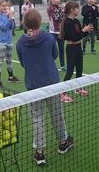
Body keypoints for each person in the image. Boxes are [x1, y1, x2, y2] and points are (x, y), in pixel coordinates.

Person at [16, 9, 74, 165]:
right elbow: (54, 54)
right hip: (51, 84)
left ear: (24, 23)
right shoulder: (49, 38)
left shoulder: (20, 42)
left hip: (33, 86)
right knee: (57, 114)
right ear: (40, 22)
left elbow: (23, 63)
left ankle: (39, 152)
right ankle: (63, 142)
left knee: (37, 118)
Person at [58, 1, 94, 101]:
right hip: (71, 49)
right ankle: (63, 93)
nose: (79, 9)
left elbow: (80, 36)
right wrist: (83, 31)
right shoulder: (67, 23)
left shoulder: (77, 22)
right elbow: (73, 37)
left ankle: (78, 88)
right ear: (72, 10)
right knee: (70, 71)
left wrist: (87, 31)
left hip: (78, 48)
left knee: (79, 69)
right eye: (77, 8)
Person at [0, 0, 21, 89]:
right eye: (3, 6)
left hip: (9, 41)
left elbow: (12, 26)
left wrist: (10, 18)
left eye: (6, 6)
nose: (5, 7)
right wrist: (9, 18)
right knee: (0, 61)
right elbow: (4, 27)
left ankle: (11, 77)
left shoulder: (7, 15)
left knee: (9, 60)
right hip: (2, 42)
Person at [47, 0, 67, 71]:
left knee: (61, 49)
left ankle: (62, 65)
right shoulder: (50, 8)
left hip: (60, 32)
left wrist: (64, 11)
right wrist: (63, 10)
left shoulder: (59, 8)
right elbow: (56, 17)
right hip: (53, 32)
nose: (58, 0)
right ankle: (50, 65)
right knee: (52, 50)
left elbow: (63, 17)